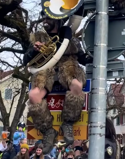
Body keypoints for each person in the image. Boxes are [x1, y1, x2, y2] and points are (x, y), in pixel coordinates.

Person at [23, 9, 91, 153]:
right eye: (44, 18)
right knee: (34, 95)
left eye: (48, 18)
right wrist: (34, 51)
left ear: (58, 19)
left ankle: (68, 123)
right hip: (45, 71)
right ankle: (48, 131)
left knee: (77, 85)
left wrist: (98, 56)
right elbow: (26, 60)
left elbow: (82, 58)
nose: (45, 21)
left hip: (67, 68)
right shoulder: (38, 37)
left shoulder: (70, 37)